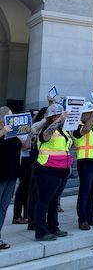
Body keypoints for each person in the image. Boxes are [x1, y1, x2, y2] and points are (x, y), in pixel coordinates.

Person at [35, 104, 72, 241]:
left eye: (60, 115)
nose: (60, 117)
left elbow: (65, 148)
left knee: (54, 201)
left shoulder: (63, 130)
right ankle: (41, 231)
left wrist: (68, 165)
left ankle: (53, 227)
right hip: (47, 169)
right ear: (51, 117)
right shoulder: (46, 128)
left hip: (61, 170)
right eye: (57, 115)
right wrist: (58, 121)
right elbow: (45, 136)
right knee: (44, 202)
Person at [0, 106, 32, 249]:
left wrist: (30, 135)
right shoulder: (3, 132)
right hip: (0, 175)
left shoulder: (13, 134)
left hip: (12, 175)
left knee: (3, 207)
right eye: (9, 116)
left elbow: (24, 146)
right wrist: (2, 132)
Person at [73, 102, 93, 230]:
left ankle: (90, 217)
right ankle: (83, 220)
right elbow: (85, 130)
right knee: (84, 192)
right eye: (90, 113)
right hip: (86, 162)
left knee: (92, 192)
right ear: (83, 114)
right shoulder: (77, 126)